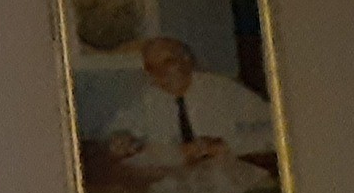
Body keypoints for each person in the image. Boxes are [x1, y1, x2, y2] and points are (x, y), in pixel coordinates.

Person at [104, 37, 278, 170]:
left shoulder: (223, 90)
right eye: (151, 67)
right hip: (175, 182)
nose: (160, 72)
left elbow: (278, 128)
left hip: (229, 175)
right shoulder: (148, 98)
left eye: (168, 62)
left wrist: (228, 146)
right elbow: (117, 131)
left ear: (187, 60)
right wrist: (121, 139)